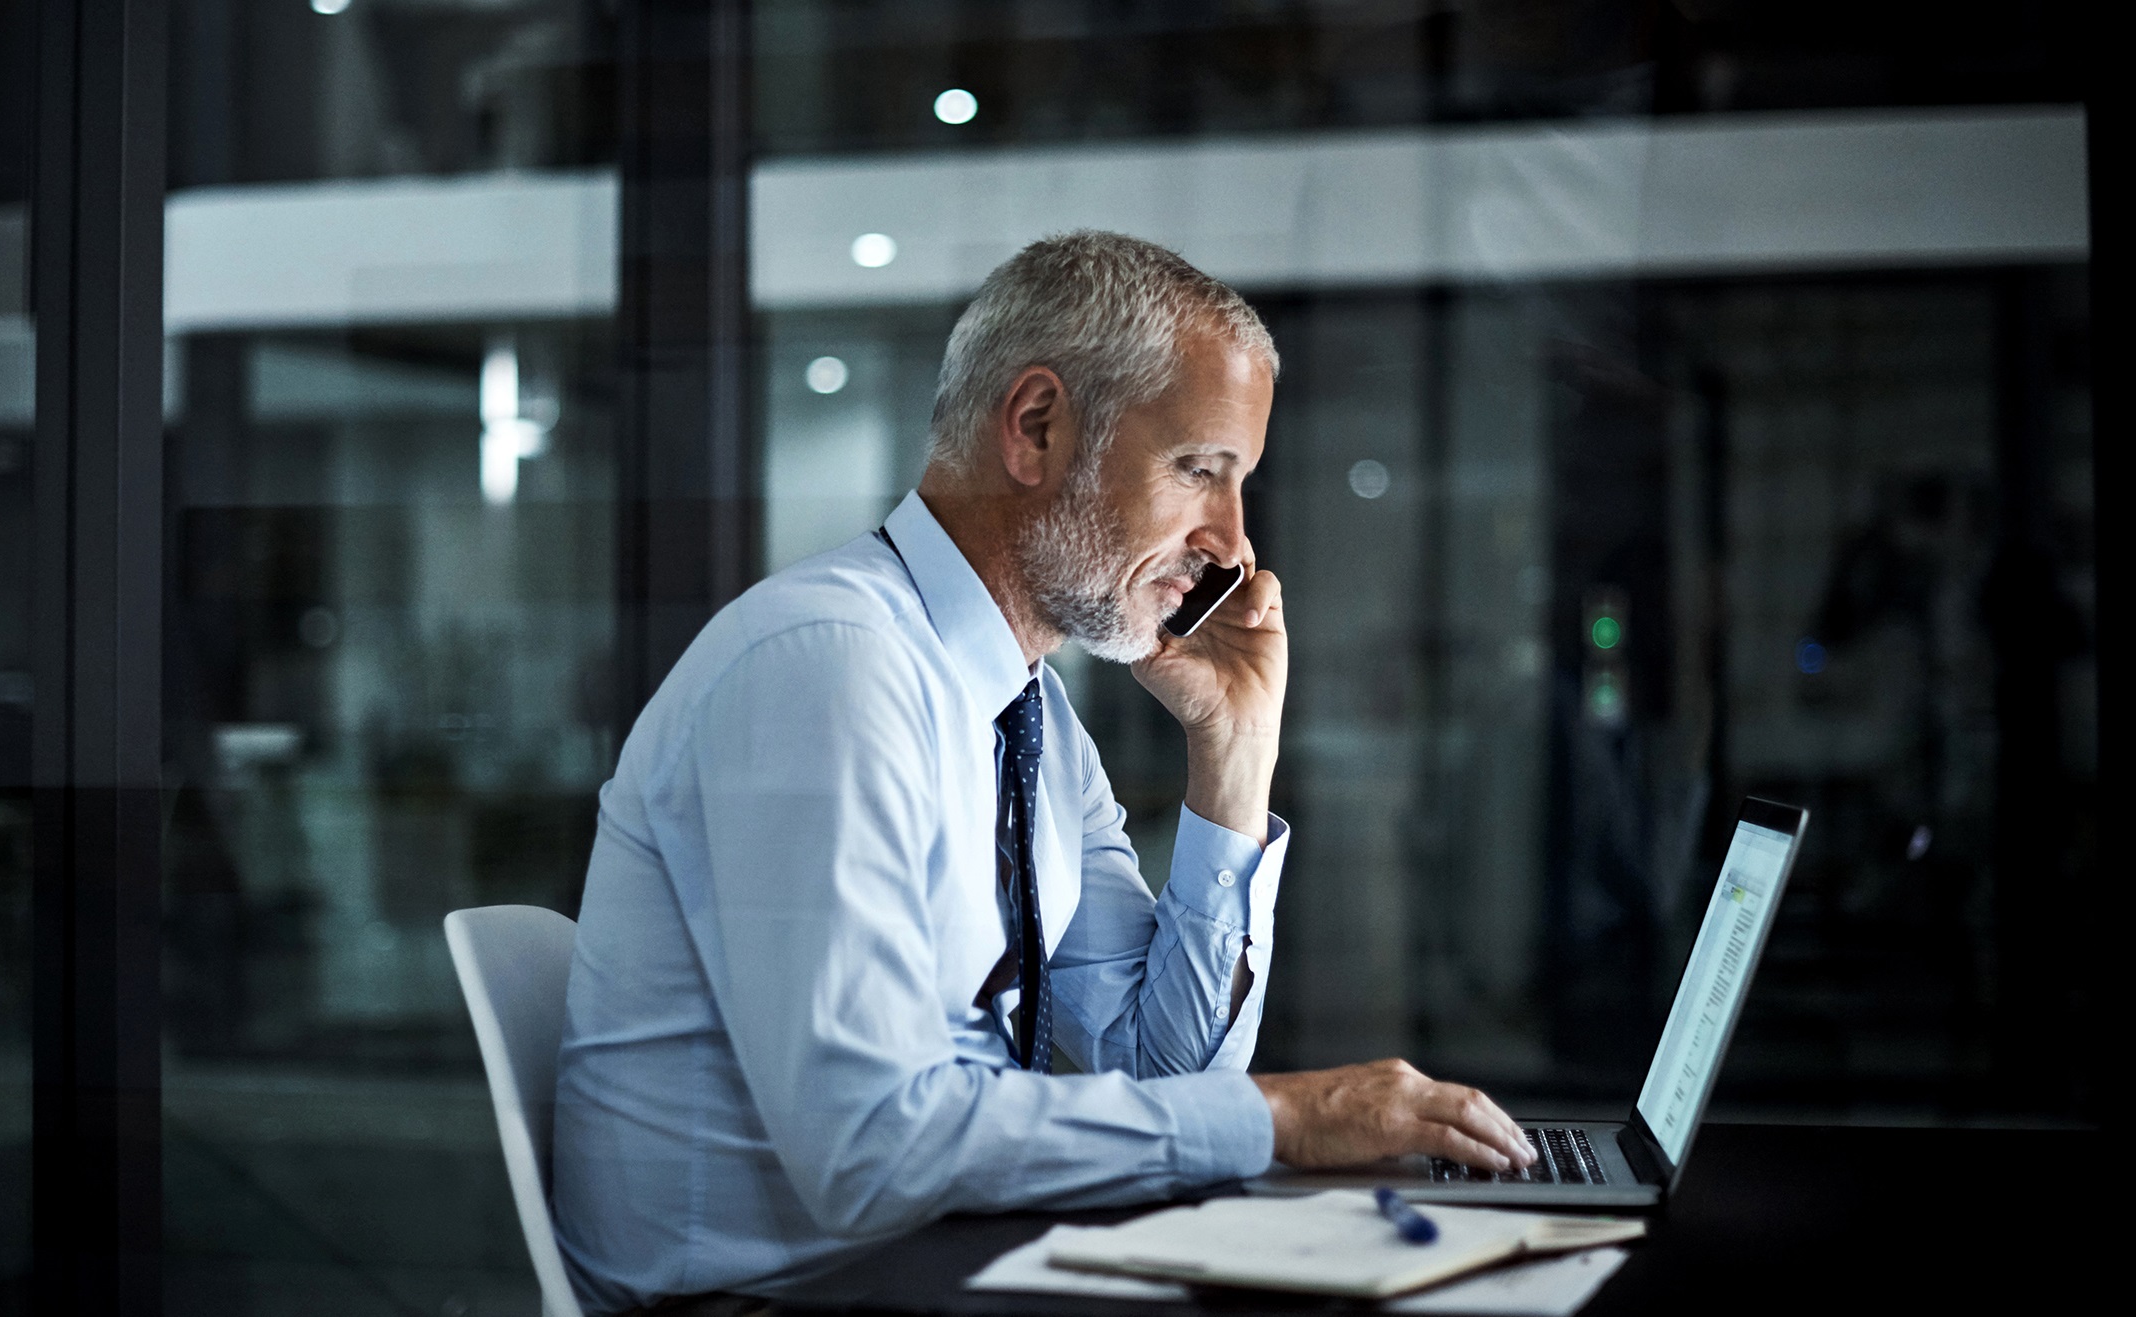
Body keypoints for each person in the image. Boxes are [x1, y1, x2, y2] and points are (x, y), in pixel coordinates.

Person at [551, 231, 1536, 1313]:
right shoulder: (830, 670)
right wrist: (1285, 1117)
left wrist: (1236, 754)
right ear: (1036, 428)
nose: (1234, 546)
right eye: (1200, 471)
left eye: (1239, 484)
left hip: (926, 1272)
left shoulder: (1029, 717)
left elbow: (1163, 1083)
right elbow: (870, 1150)